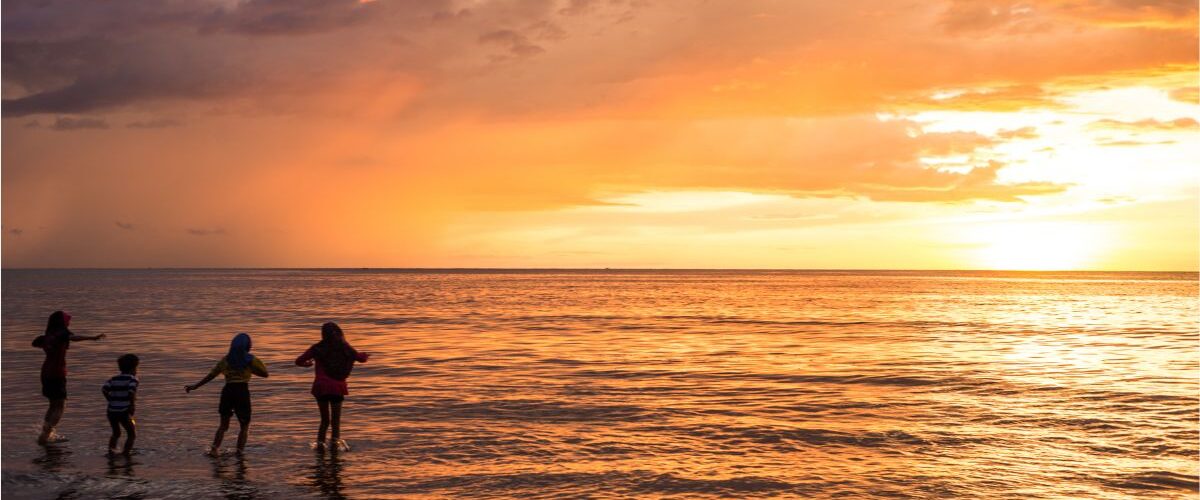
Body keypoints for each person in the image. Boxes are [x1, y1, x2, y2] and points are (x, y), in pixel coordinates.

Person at [185, 333, 268, 455]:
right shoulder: (250, 359)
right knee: (244, 426)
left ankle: (214, 450)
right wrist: (250, 369)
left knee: (223, 426)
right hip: (242, 392)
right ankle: (239, 453)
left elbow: (211, 375)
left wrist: (195, 386)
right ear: (248, 345)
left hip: (227, 392)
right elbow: (265, 374)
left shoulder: (225, 360)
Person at [32, 311, 105, 445]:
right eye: (67, 321)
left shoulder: (49, 335)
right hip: (56, 373)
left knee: (53, 405)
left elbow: (35, 343)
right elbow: (74, 337)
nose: (69, 323)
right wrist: (93, 338)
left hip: (46, 373)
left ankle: (46, 435)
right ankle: (44, 437)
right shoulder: (61, 334)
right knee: (60, 405)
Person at [295, 322, 369, 451]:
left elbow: (298, 361)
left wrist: (307, 364)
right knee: (336, 422)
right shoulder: (344, 347)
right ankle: (335, 449)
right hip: (336, 388)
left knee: (324, 421)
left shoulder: (317, 348)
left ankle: (320, 447)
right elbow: (359, 358)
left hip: (321, 387)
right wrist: (365, 356)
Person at [102, 354, 140, 455]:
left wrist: (110, 400)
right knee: (131, 434)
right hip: (124, 411)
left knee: (116, 433)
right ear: (133, 368)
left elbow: (104, 389)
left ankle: (111, 452)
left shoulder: (113, 379)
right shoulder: (133, 379)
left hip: (111, 411)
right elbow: (131, 392)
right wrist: (132, 405)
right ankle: (126, 453)